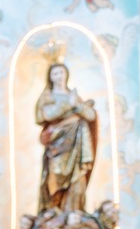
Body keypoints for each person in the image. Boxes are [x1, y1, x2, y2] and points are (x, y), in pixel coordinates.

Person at [36, 62, 97, 214]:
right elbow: (45, 115)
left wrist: (77, 105)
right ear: (50, 77)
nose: (59, 76)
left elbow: (91, 115)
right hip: (57, 146)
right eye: (55, 73)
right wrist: (68, 105)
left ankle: (74, 214)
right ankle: (53, 213)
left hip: (76, 145)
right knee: (54, 180)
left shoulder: (74, 96)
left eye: (61, 72)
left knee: (77, 179)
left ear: (66, 74)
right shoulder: (47, 96)